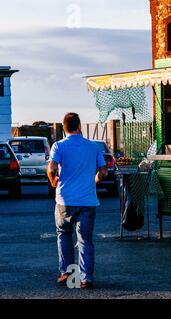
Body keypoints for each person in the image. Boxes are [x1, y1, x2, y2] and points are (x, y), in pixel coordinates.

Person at [47, 113, 108, 289]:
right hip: (87, 201)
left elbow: (51, 168)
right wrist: (94, 181)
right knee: (85, 240)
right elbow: (103, 172)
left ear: (64, 128)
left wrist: (53, 181)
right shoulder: (93, 146)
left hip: (64, 200)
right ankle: (86, 278)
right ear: (79, 126)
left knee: (63, 234)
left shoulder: (59, 146)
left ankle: (66, 272)